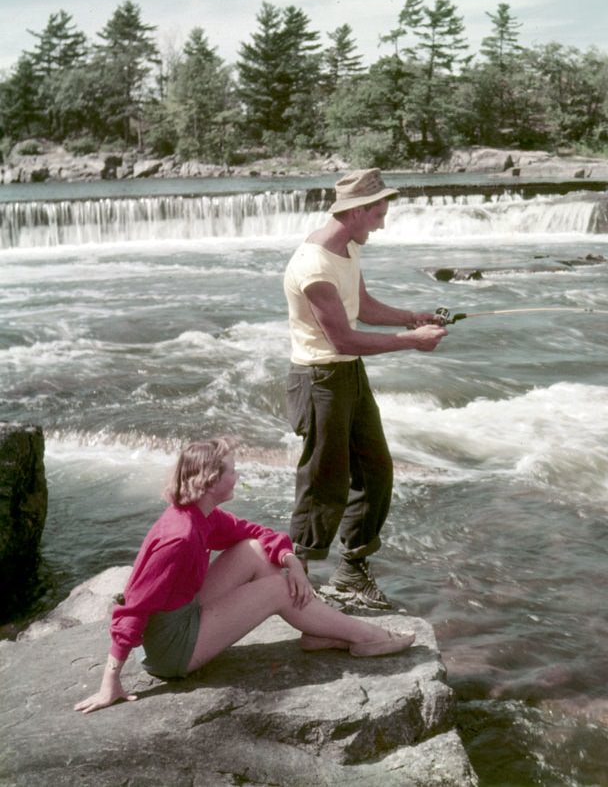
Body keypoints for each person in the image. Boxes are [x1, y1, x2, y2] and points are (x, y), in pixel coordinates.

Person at [74, 437, 415, 714]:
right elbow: (134, 605)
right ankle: (364, 635)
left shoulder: (200, 514)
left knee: (253, 548)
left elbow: (252, 532)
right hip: (173, 649)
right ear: (210, 482)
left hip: (185, 611)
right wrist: (110, 681)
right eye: (232, 472)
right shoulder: (178, 538)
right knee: (279, 588)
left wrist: (291, 560)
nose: (237, 476)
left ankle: (319, 630)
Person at [284, 168, 447, 609]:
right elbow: (343, 339)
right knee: (324, 483)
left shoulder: (347, 249)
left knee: (376, 472)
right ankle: (294, 581)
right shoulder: (314, 265)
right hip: (320, 379)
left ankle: (351, 571)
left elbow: (365, 308)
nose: (382, 221)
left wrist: (412, 317)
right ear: (355, 212)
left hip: (348, 375)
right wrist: (411, 343)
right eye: (378, 213)